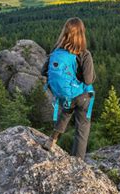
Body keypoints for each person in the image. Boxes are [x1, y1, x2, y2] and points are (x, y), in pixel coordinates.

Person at [41, 17, 95, 159]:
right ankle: (78, 161)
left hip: (66, 95)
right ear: (82, 33)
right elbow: (88, 79)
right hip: (81, 96)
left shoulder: (57, 51)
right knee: (82, 127)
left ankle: (52, 139)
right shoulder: (84, 54)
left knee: (66, 112)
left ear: (65, 32)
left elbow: (43, 71)